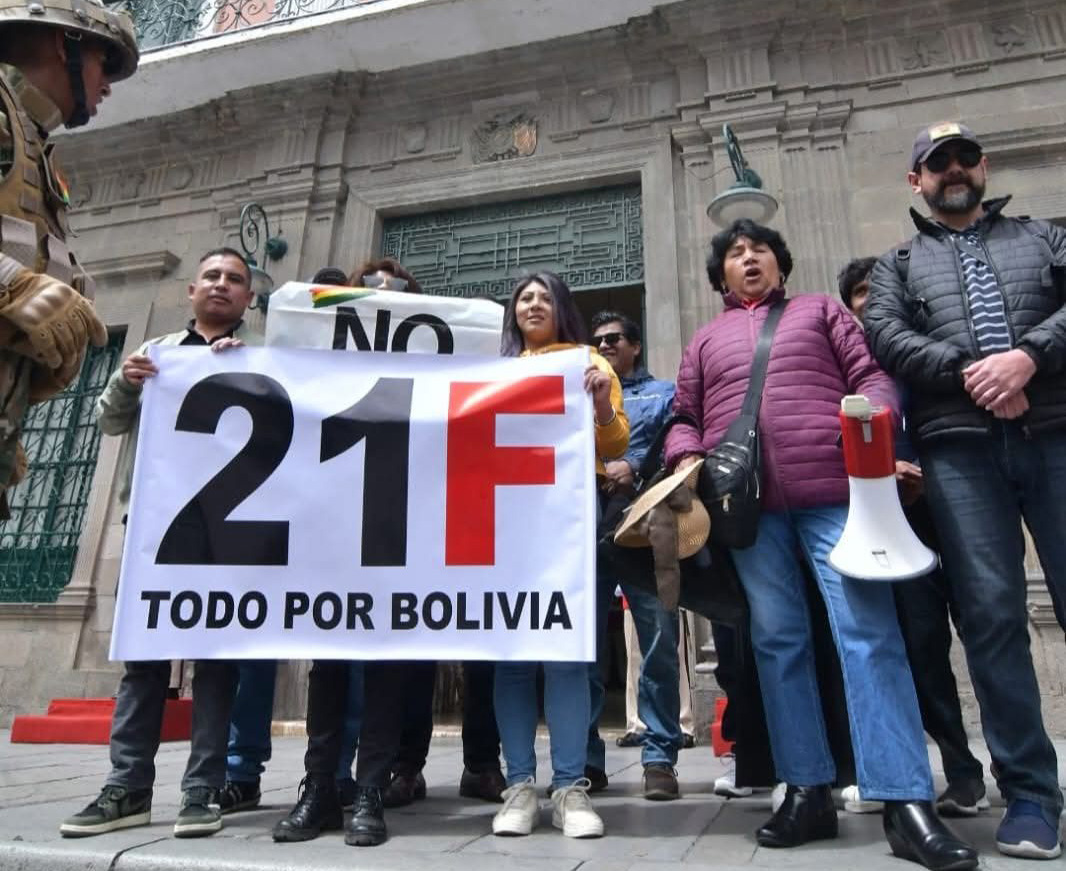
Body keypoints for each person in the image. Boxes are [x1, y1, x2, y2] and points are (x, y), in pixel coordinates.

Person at [665, 219, 977, 871]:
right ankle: (805, 788)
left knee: (868, 633)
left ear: (781, 263)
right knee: (778, 644)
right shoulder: (702, 341)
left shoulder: (822, 313)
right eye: (734, 253)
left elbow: (874, 376)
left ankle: (903, 799)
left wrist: (872, 422)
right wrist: (684, 458)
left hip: (835, 494)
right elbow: (685, 417)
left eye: (759, 250)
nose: (748, 258)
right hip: (747, 511)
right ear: (719, 275)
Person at [864, 121, 1066, 860]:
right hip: (960, 453)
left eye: (963, 157)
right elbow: (885, 336)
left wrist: (1027, 358)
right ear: (915, 180)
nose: (952, 169)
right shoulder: (896, 264)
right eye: (935, 162)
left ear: (982, 167)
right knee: (990, 616)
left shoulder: (1043, 238)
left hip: (1054, 433)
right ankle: (1032, 794)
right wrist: (974, 371)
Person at [59, 248, 261, 839]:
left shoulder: (263, 356)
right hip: (156, 530)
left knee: (217, 664)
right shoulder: (155, 355)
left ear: (249, 298)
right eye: (214, 278)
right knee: (144, 662)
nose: (223, 286)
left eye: (236, 281)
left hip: (230, 535)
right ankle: (126, 787)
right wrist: (125, 383)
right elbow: (108, 421)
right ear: (191, 291)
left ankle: (202, 790)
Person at [839, 256, 987, 817]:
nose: (867, 300)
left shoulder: (931, 349)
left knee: (987, 629)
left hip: (959, 505)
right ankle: (960, 772)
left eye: (876, 289)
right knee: (921, 645)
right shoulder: (847, 365)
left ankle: (1017, 770)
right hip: (890, 520)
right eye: (857, 292)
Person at [221, 266, 367, 816]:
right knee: (253, 644)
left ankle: (337, 773)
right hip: (275, 516)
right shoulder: (262, 359)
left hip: (347, 525)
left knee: (343, 655)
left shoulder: (371, 368)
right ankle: (240, 770)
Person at [490, 271, 628, 839]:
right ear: (512, 312)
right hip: (502, 521)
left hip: (570, 518)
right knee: (513, 654)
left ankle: (570, 787)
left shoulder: (588, 363)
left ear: (561, 308)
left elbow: (615, 442)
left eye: (546, 297)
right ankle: (519, 784)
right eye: (525, 297)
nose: (534, 304)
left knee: (570, 650)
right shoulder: (491, 370)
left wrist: (598, 404)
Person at [0, 0, 138, 519]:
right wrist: (12, 286)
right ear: (67, 44)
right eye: (108, 64)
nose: (108, 86)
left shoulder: (32, 145)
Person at [587, 310, 685, 801]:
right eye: (598, 340)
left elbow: (681, 448)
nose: (604, 347)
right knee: (582, 646)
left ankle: (660, 756)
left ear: (636, 345)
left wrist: (637, 469)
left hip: (645, 530)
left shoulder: (664, 394)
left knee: (658, 641)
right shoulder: (576, 393)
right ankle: (584, 758)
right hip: (587, 529)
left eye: (615, 338)